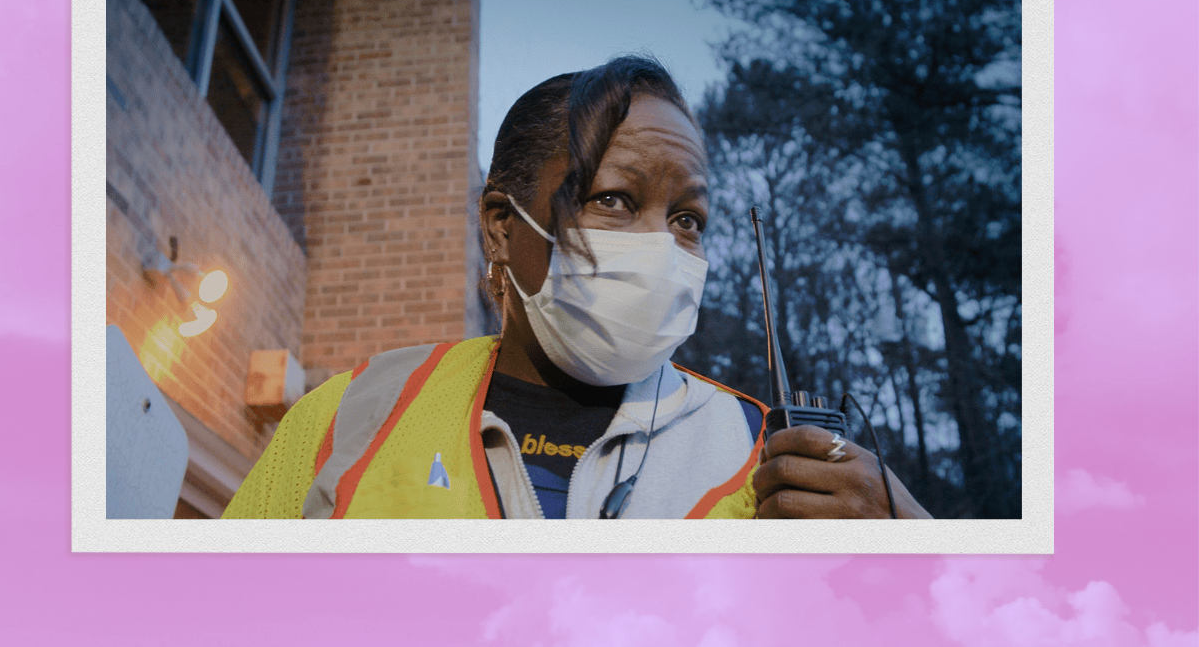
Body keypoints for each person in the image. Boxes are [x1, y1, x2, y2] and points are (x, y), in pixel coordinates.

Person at [222, 56, 930, 519]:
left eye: (687, 219)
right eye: (615, 199)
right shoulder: (348, 419)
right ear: (502, 226)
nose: (662, 245)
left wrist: (903, 536)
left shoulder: (769, 459)